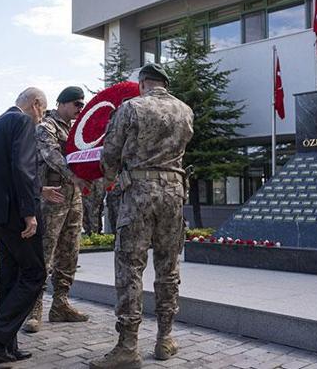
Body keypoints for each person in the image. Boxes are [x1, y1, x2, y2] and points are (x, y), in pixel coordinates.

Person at [91, 64, 194, 368]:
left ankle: (127, 346)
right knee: (168, 266)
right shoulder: (185, 111)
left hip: (138, 192)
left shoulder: (131, 107)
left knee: (130, 267)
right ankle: (165, 339)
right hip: (174, 192)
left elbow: (109, 153)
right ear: (164, 84)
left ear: (144, 84)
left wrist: (110, 176)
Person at [0, 87, 49, 364]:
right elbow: (22, 166)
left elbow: (4, 171)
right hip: (16, 213)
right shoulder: (22, 121)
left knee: (9, 276)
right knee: (34, 274)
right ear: (36, 104)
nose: (41, 118)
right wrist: (30, 212)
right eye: (43, 111)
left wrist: (39, 189)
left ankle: (4, 347)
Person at [24, 86, 90, 333]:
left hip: (73, 197)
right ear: (62, 104)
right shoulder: (46, 127)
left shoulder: (75, 130)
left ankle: (60, 304)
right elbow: (51, 155)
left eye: (82, 105)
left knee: (70, 251)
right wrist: (74, 176)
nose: (79, 109)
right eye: (76, 104)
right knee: (45, 252)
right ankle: (34, 307)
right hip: (52, 197)